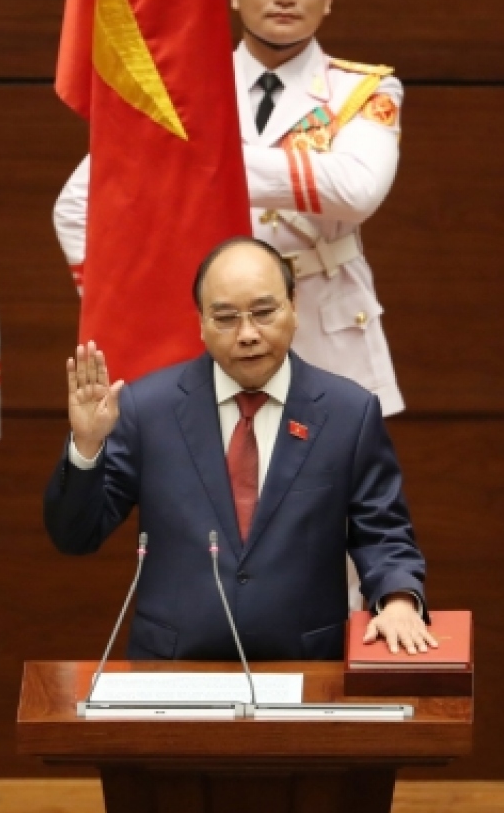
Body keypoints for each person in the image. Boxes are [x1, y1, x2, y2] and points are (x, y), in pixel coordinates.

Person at [55, 0, 406, 612]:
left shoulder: (364, 87)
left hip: (325, 338)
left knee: (349, 558)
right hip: (219, 343)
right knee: (218, 543)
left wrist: (207, 156)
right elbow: (76, 209)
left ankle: (345, 716)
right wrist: (150, 297)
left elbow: (356, 186)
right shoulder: (185, 85)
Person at [44, 238, 434, 660]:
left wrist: (397, 601)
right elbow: (75, 535)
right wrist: (87, 444)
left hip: (303, 667)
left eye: (264, 313)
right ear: (201, 323)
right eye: (226, 318)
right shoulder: (148, 409)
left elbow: (384, 531)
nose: (248, 335)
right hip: (174, 671)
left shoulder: (347, 413)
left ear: (294, 306)